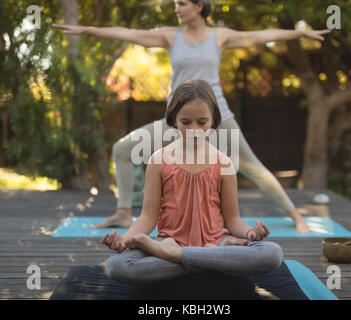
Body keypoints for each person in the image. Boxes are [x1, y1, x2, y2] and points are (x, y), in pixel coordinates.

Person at [53, 0, 330, 232]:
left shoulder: (220, 37)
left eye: (181, 3)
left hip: (216, 118)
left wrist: (299, 34)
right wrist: (86, 29)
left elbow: (261, 35)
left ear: (199, 6)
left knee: (251, 166)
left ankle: (295, 215)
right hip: (179, 121)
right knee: (124, 149)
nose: (176, 9)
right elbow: (128, 33)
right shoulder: (170, 36)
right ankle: (124, 212)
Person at [101, 79, 284, 284]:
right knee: (117, 266)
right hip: (169, 241)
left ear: (213, 120)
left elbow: (233, 220)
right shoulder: (158, 160)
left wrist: (250, 233)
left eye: (202, 122)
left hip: (214, 241)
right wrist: (125, 240)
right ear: (173, 120)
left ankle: (176, 257)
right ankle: (210, 261)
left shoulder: (223, 162)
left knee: (272, 253)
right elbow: (147, 218)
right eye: (186, 122)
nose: (194, 130)